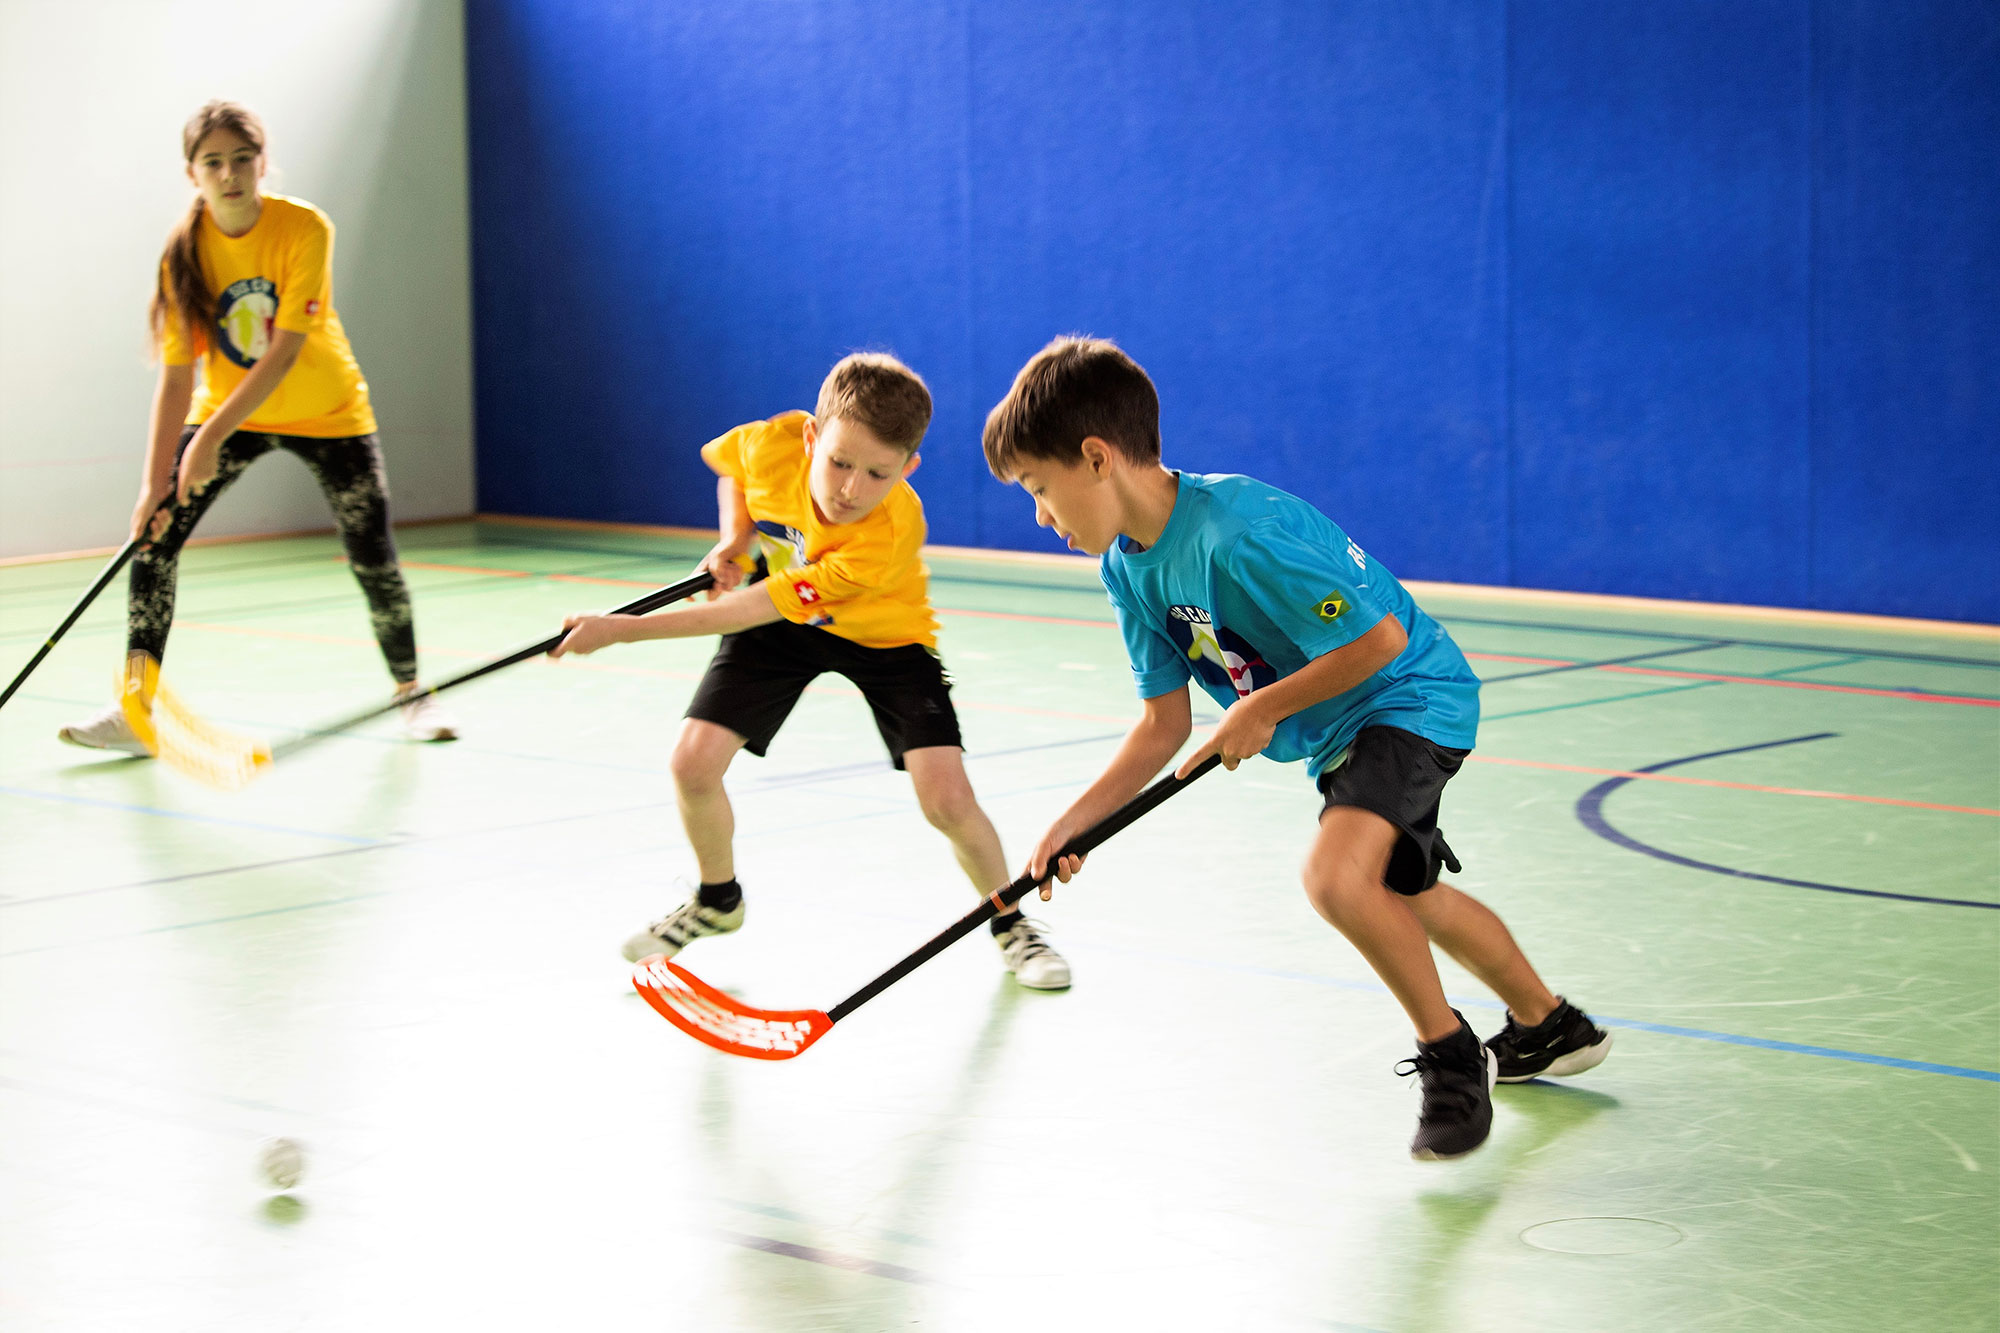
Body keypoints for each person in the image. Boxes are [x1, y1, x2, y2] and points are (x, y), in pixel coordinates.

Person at [983, 336, 1609, 1158]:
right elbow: (1162, 725)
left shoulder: (1237, 532)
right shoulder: (1126, 571)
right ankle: (1550, 1025)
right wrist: (1077, 824)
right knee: (1402, 895)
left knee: (1334, 877)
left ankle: (1452, 1057)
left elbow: (1379, 641)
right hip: (1346, 729)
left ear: (1096, 458)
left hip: (1410, 697)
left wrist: (1261, 710)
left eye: (1039, 489)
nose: (1041, 516)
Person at [550, 352, 1069, 990]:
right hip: (783, 626)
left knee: (947, 799)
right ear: (809, 437)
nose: (851, 489)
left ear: (908, 470)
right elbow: (734, 472)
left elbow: (747, 608)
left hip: (884, 636)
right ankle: (718, 902)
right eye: (839, 462)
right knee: (692, 765)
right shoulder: (771, 446)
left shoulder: (888, 533)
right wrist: (736, 538)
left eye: (878, 474)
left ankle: (1009, 920)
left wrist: (621, 630)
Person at [58, 100, 454, 755]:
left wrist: (208, 439)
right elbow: (177, 379)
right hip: (224, 412)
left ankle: (413, 693)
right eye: (213, 162)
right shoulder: (183, 252)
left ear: (264, 162)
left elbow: (285, 351)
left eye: (243, 158)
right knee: (155, 539)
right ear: (192, 174)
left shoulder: (304, 228)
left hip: (329, 416)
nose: (231, 173)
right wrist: (152, 483)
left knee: (371, 554)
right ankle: (135, 709)